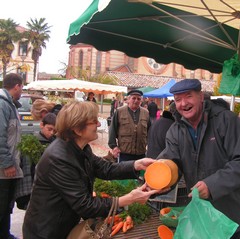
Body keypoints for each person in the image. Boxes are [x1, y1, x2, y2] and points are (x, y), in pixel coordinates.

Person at [22, 101, 161, 239]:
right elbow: (86, 205)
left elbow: (104, 168)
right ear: (77, 129)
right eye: (94, 121)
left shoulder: (80, 147)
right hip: (45, 232)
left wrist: (136, 164)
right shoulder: (58, 159)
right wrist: (129, 199)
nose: (99, 124)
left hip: (62, 227)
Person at [158, 79, 240, 238]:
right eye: (178, 99)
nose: (183, 103)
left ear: (201, 96)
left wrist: (212, 185)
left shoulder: (226, 120)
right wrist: (155, 180)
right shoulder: (175, 130)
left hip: (239, 213)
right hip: (208, 215)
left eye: (188, 96)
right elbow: (172, 162)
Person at [15, 113, 57, 210]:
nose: (51, 133)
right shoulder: (32, 142)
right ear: (42, 125)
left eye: (54, 131)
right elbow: (28, 169)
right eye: (49, 129)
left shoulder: (55, 142)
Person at [0, 73, 24, 239]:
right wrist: (7, 163)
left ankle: (5, 233)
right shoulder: (3, 105)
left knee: (7, 206)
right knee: (1, 205)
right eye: (21, 87)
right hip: (3, 170)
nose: (21, 90)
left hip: (9, 168)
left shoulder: (11, 105)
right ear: (16, 86)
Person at [108, 90, 150, 162]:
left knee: (140, 173)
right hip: (125, 153)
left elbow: (149, 131)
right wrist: (114, 146)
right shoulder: (119, 111)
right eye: (134, 98)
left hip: (141, 153)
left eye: (138, 99)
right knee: (125, 173)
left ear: (141, 101)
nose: (136, 101)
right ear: (128, 99)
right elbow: (112, 130)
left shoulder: (146, 113)